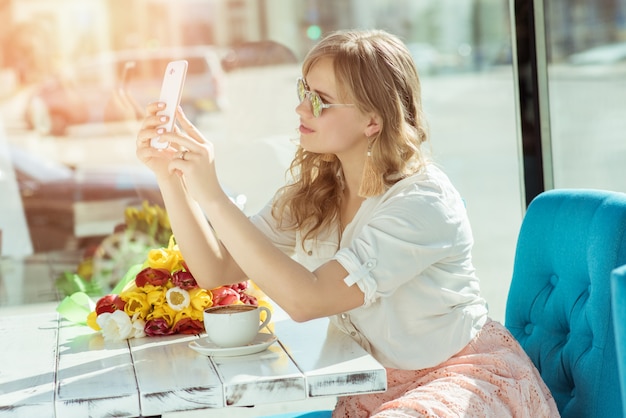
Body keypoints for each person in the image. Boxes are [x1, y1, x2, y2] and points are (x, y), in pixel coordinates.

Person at [136, 29, 559, 417]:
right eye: (303, 90)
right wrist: (171, 176)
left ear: (373, 120)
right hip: (374, 386)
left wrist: (212, 193)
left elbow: (308, 300)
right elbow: (215, 269)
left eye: (320, 99)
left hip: (463, 378)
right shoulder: (320, 188)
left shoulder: (423, 202)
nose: (301, 107)